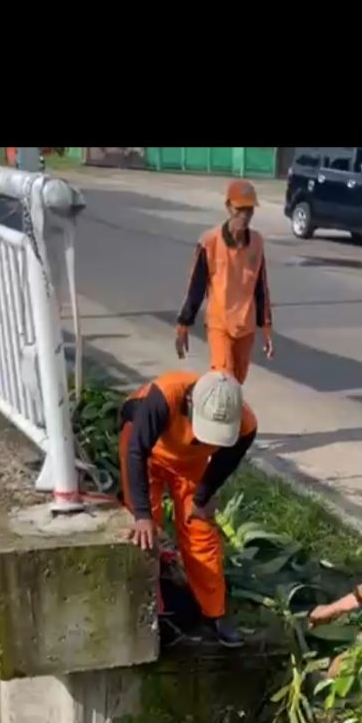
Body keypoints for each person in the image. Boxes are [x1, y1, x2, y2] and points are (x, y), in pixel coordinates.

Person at [120, 369, 257, 646]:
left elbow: (223, 464)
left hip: (191, 464)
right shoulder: (163, 398)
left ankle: (214, 612)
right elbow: (136, 450)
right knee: (147, 533)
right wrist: (142, 515)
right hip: (148, 455)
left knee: (201, 531)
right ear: (191, 405)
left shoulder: (246, 425)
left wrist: (202, 498)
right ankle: (151, 606)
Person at [175, 179, 273, 383]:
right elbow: (196, 287)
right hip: (219, 323)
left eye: (249, 210)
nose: (245, 216)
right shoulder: (209, 242)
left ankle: (233, 415)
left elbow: (261, 287)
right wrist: (184, 324)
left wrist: (266, 328)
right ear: (228, 207)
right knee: (223, 379)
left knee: (237, 382)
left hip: (245, 326)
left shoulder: (256, 242)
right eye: (240, 209)